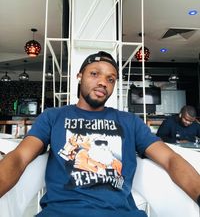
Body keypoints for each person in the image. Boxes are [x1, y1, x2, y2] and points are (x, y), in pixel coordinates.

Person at [0, 51, 200, 217]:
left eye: (110, 79)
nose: (103, 82)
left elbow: (170, 159)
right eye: (94, 74)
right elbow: (19, 158)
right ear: (80, 76)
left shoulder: (129, 122)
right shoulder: (53, 117)